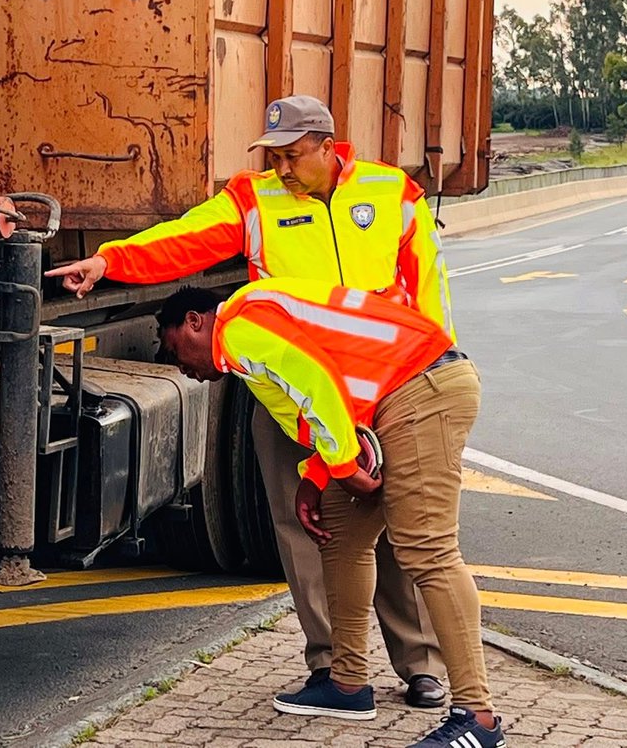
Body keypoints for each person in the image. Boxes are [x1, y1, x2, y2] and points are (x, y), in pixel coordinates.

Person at [49, 95, 452, 712]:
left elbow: (428, 292)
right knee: (303, 530)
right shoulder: (255, 199)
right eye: (275, 156)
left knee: (399, 521)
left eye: (293, 156)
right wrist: (110, 260)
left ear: (327, 145)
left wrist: (427, 369)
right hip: (291, 397)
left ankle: (420, 665)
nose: (283, 170)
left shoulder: (393, 194)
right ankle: (332, 667)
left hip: (383, 388)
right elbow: (185, 239)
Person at [156, 279, 506, 748]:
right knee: (340, 532)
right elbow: (338, 395)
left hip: (421, 387)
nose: (179, 365)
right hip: (393, 393)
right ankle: (347, 684)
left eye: (173, 347)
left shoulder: (241, 328)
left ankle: (478, 719)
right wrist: (318, 477)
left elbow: (318, 385)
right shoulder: (253, 322)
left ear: (195, 322)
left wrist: (342, 467)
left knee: (427, 549)